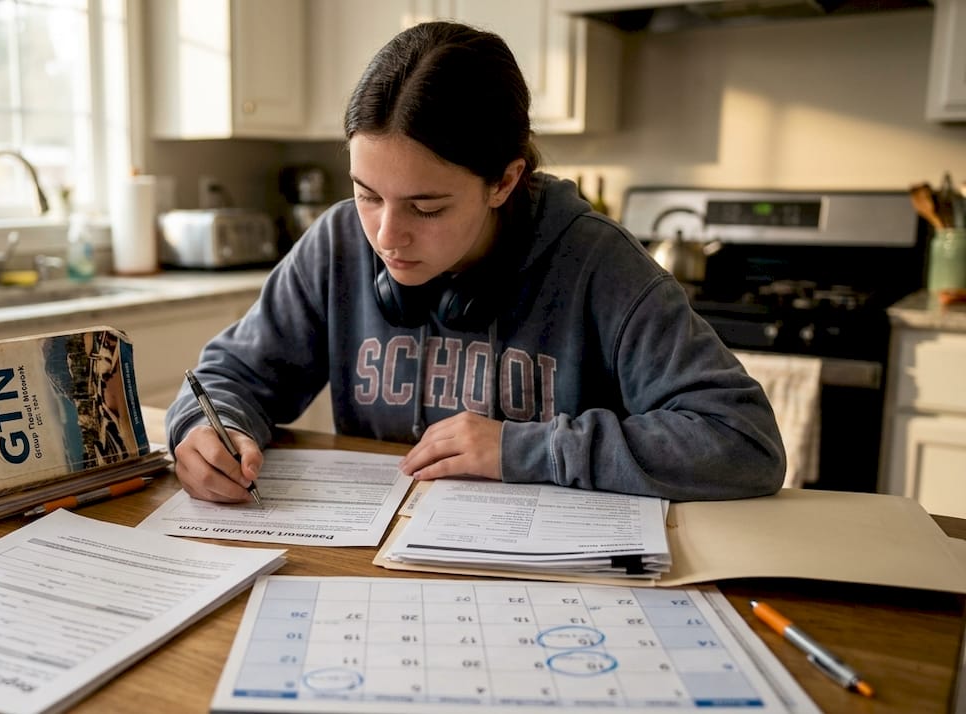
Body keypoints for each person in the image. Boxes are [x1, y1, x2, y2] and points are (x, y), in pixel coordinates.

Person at [166, 21, 785, 504]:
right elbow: (228, 380)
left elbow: (742, 442)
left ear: (504, 181)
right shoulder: (335, 244)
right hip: (379, 567)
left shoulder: (599, 263)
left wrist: (525, 448)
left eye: (427, 207)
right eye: (367, 194)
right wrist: (204, 430)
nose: (386, 235)